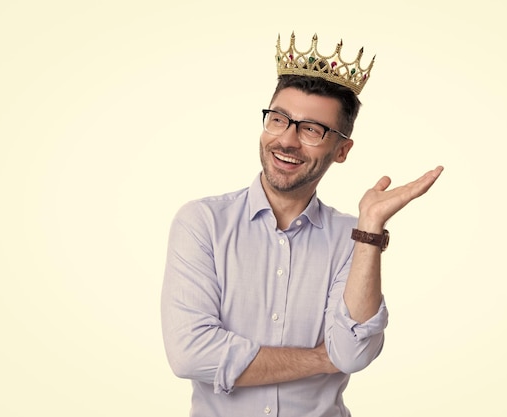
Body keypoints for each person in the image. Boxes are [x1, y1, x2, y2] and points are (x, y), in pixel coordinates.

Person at [161, 32, 443, 417]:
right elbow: (190, 355)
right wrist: (320, 359)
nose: (287, 141)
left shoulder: (353, 239)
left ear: (341, 150)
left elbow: (352, 352)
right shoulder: (202, 223)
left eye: (311, 129)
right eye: (279, 120)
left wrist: (371, 229)